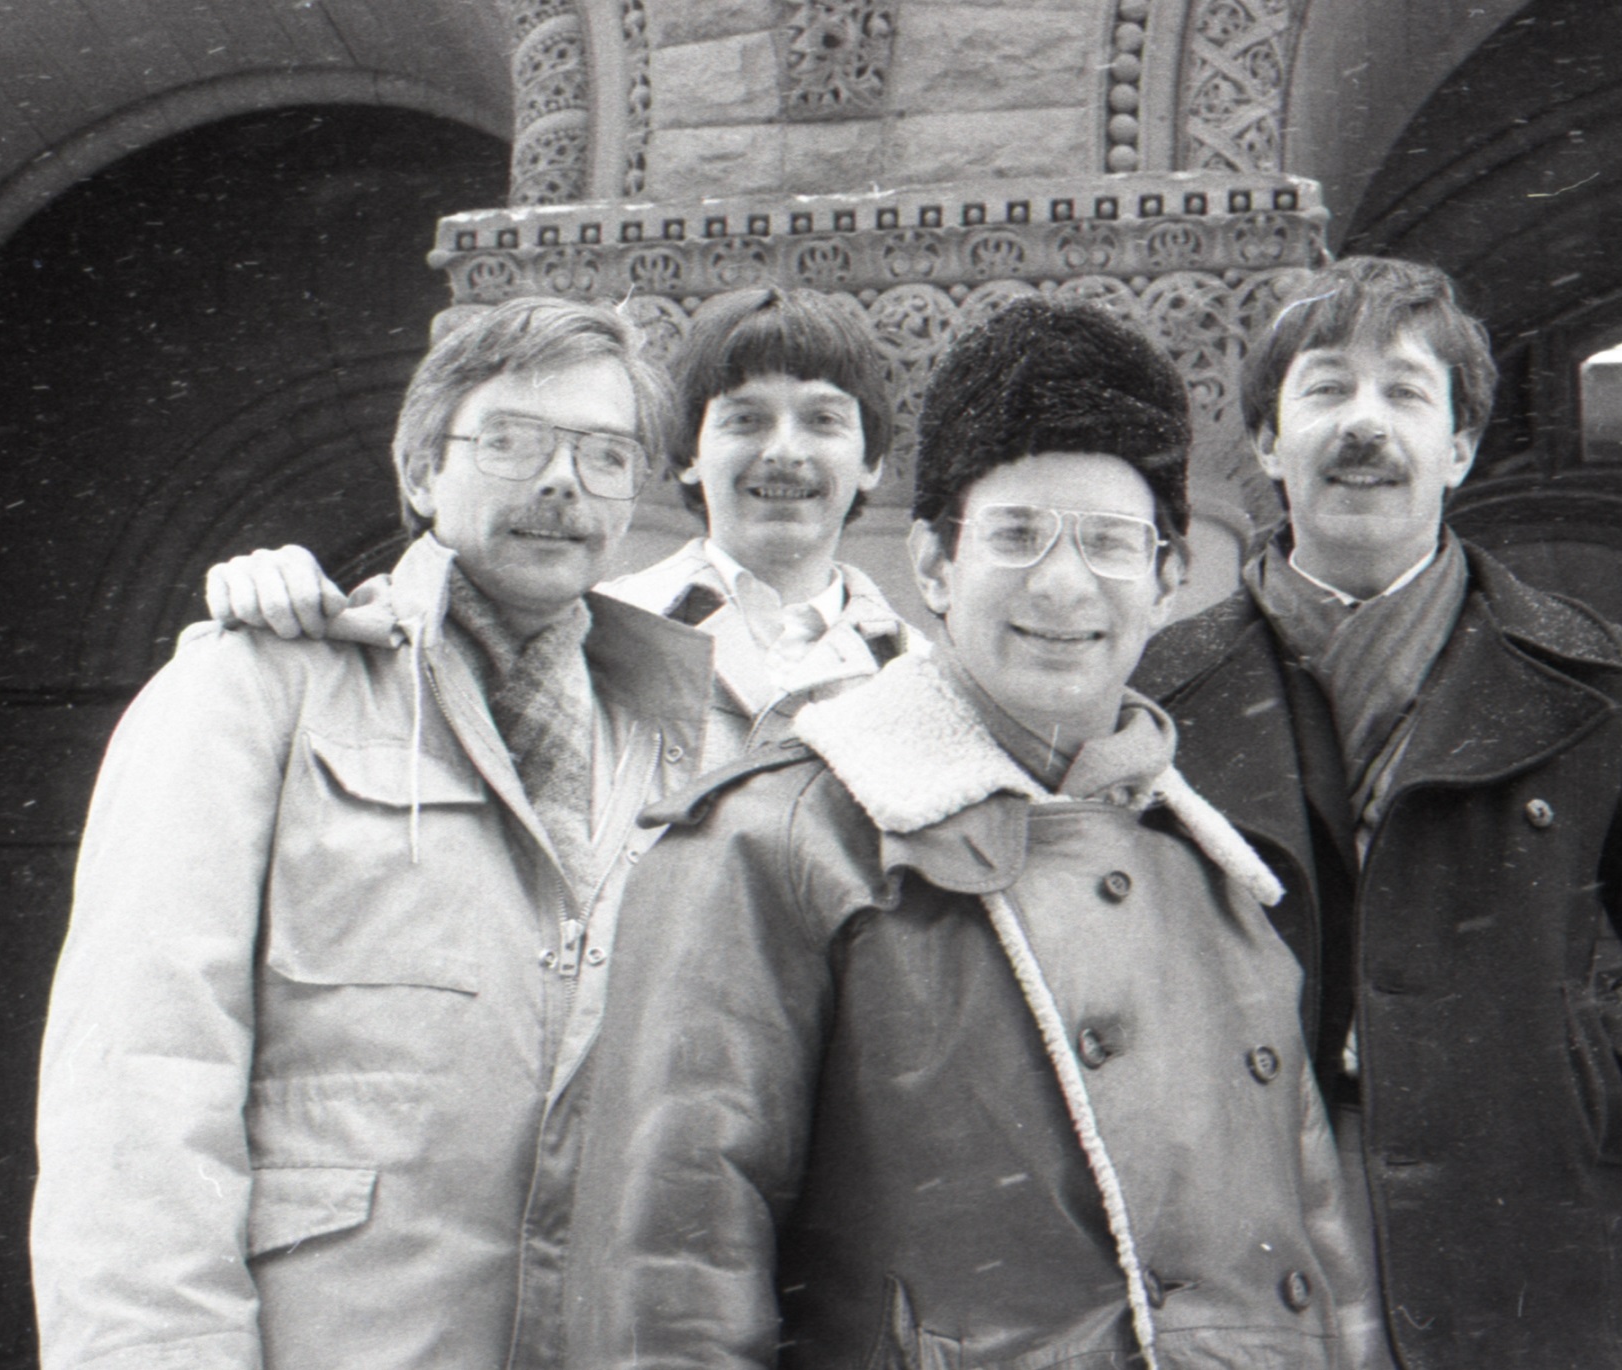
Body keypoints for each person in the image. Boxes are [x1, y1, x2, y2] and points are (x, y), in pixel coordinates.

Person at [563, 297, 1389, 1370]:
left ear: (1166, 577)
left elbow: (1320, 1283)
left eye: (1107, 540)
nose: (1061, 582)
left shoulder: (1215, 877)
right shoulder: (774, 841)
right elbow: (667, 1284)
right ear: (935, 565)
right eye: (1013, 533)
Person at [1130, 256, 1622, 1369]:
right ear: (1264, 441)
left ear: (1458, 448)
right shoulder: (1156, 699)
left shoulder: (1600, 682)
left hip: (1525, 1273)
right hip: (1235, 1267)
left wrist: (1602, 1078)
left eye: (1403, 392)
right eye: (1325, 389)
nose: (1363, 425)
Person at [29, 298, 712, 1370]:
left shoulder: (679, 749)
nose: (561, 480)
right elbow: (140, 1078)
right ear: (421, 471)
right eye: (511, 440)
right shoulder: (254, 691)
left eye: (606, 453)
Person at [207, 286, 916, 765]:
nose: (784, 451)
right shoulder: (592, 630)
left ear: (874, 459)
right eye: (744, 419)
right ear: (686, 455)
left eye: (823, 420)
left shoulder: (925, 674)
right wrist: (274, 587)